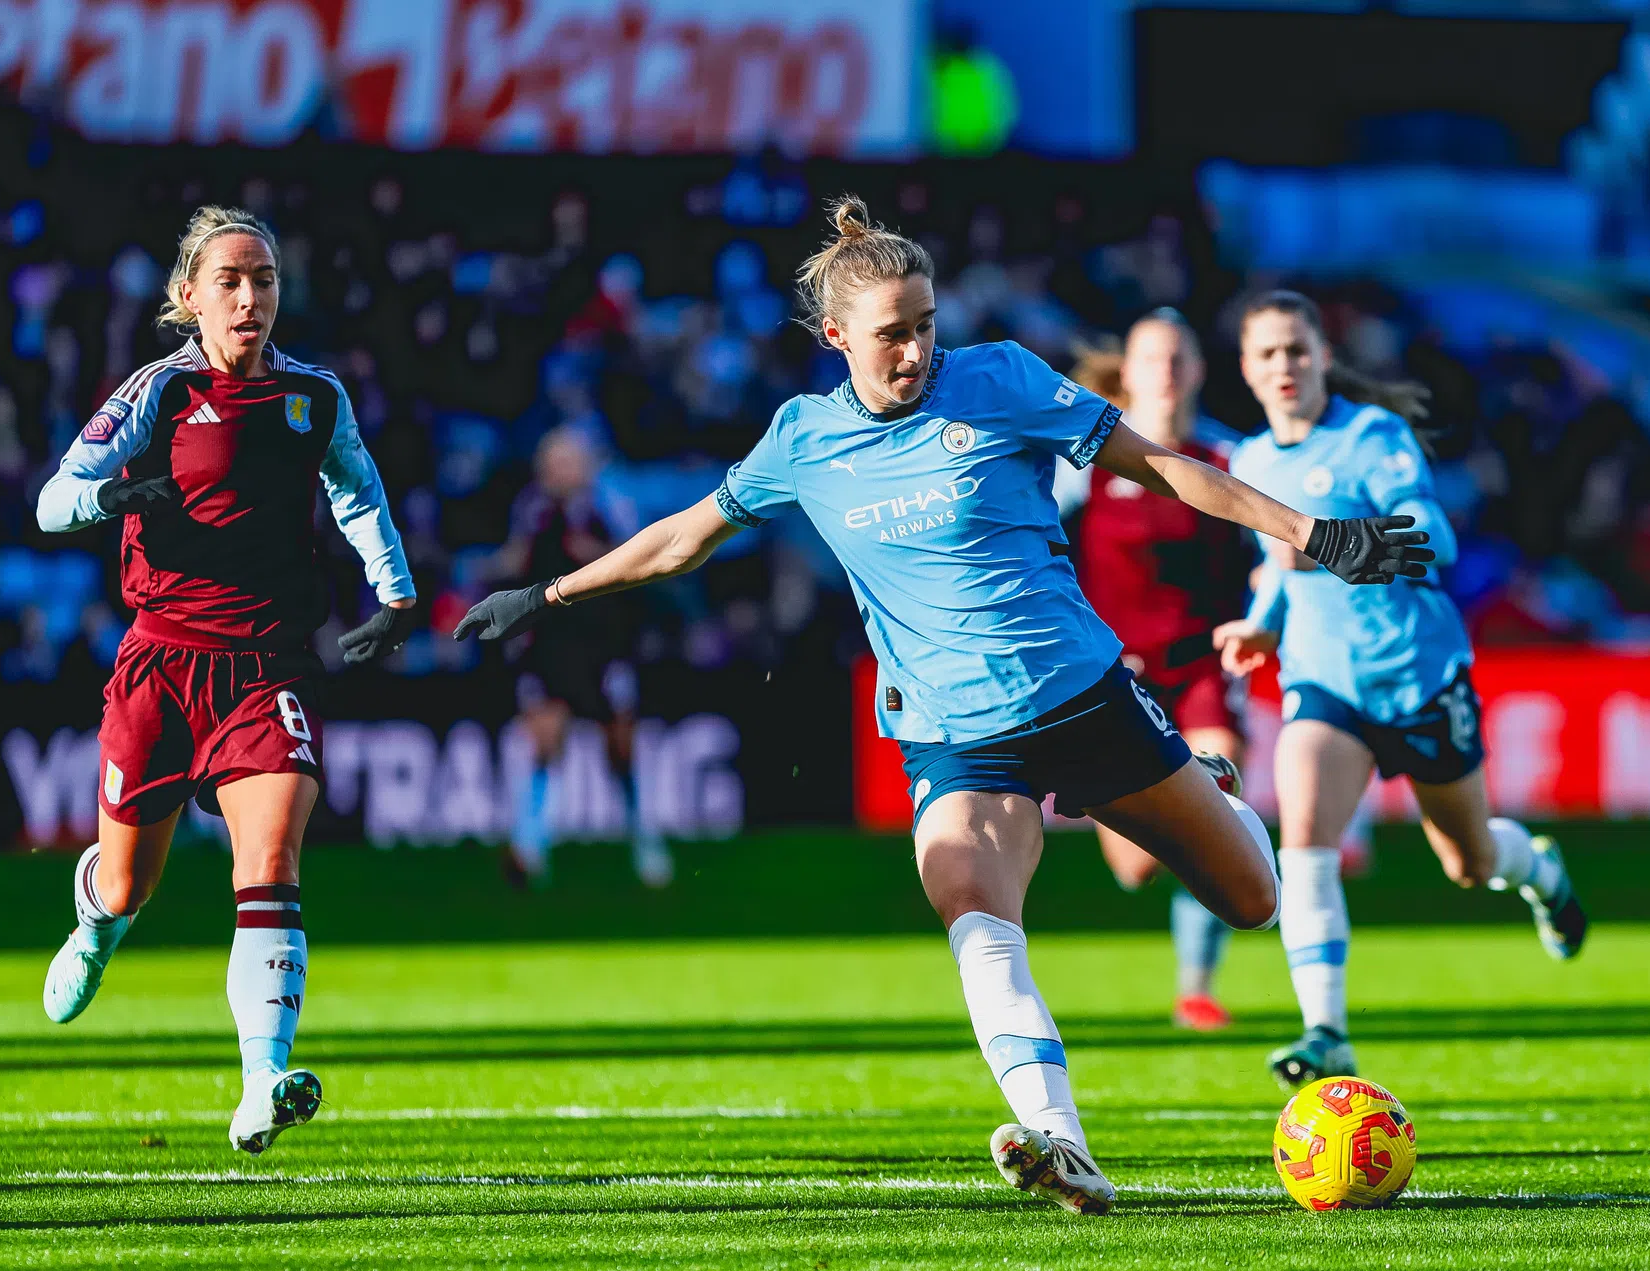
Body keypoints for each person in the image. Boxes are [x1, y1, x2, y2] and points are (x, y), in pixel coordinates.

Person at [455, 200, 1429, 1215]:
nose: (916, 351)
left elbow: (1162, 466)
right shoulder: (802, 439)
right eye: (892, 334)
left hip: (1082, 699)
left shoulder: (1001, 378)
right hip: (953, 737)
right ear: (836, 337)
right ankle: (1062, 1142)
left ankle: (1207, 787)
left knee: (1253, 900)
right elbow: (681, 538)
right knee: (969, 899)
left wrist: (1312, 534)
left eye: (925, 325)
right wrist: (548, 595)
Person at [35, 206, 417, 1154]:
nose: (251, 299)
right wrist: (110, 494)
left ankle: (261, 1080)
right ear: (190, 297)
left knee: (272, 860)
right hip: (162, 663)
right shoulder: (158, 391)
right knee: (132, 883)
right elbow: (51, 502)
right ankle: (98, 920)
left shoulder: (314, 396)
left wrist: (396, 594)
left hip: (268, 665)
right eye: (231, 281)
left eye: (265, 280)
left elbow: (357, 490)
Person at [1214, 289, 1588, 1094]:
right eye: (1267, 353)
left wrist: (1331, 545)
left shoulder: (1371, 437)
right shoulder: (1249, 461)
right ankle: (1327, 1034)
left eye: (1297, 349)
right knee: (1304, 839)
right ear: (1246, 368)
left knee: (1469, 861)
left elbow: (1435, 537)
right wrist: (1261, 624)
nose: (1284, 365)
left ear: (1323, 356)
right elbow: (1280, 572)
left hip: (1417, 672)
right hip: (1324, 680)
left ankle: (1540, 870)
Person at [1066, 311, 1255, 1032]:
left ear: (1198, 370)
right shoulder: (1083, 465)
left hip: (1202, 667)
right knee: (1137, 867)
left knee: (1219, 808)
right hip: (1117, 679)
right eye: (1153, 358)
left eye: (1179, 358)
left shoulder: (1228, 459)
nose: (1167, 371)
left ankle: (1196, 988)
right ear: (1129, 372)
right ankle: (1176, 803)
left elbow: (1271, 553)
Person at [483, 426, 671, 889]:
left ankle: (644, 840)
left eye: (565, 463)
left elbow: (640, 556)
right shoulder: (532, 508)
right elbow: (518, 560)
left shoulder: (609, 504)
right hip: (551, 641)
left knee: (619, 748)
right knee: (546, 740)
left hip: (603, 640)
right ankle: (529, 846)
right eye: (551, 464)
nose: (556, 472)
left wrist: (595, 556)